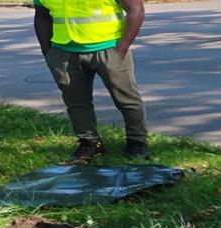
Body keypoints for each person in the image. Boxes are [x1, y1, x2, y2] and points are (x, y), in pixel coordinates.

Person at [33, 0, 149, 164]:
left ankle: (137, 142)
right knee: (75, 101)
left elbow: (136, 10)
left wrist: (121, 49)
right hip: (64, 51)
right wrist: (49, 53)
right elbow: (42, 16)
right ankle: (90, 142)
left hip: (108, 47)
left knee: (126, 99)